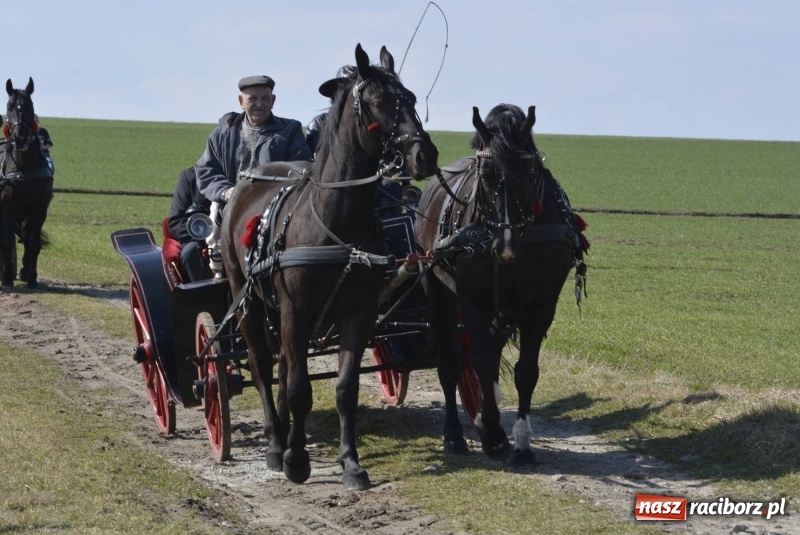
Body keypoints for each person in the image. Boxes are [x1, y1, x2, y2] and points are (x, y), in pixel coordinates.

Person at [196, 75, 312, 204]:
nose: (259, 104)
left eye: (265, 98)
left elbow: (301, 169)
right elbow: (207, 170)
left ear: (273, 101)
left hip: (275, 206)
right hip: (230, 205)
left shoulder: (290, 131)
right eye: (253, 98)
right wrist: (225, 191)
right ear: (241, 101)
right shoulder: (222, 134)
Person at [309, 66, 404, 219]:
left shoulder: (370, 124)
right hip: (331, 183)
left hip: (371, 179)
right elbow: (313, 159)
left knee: (390, 188)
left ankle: (391, 232)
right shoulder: (319, 123)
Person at [163, 167, 212, 282]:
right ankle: (206, 296)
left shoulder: (242, 177)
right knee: (192, 252)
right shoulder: (190, 177)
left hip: (233, 235)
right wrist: (205, 234)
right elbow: (177, 221)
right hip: (198, 239)